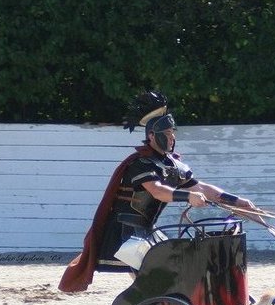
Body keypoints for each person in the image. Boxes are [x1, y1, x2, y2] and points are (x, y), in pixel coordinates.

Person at [58, 91, 254, 292]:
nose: (171, 138)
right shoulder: (141, 164)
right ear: (152, 136)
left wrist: (237, 201)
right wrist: (188, 196)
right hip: (127, 231)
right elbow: (157, 190)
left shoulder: (171, 165)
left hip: (147, 229)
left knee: (170, 271)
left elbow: (202, 188)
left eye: (172, 133)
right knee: (154, 279)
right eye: (167, 134)